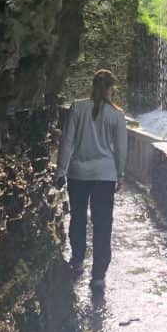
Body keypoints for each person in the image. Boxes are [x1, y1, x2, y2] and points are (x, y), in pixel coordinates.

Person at [55, 69, 128, 289]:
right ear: (109, 88)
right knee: (102, 224)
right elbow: (121, 149)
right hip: (105, 176)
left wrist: (61, 171)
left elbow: (67, 142)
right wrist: (120, 173)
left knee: (78, 219)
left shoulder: (77, 108)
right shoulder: (116, 115)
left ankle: (77, 261)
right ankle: (98, 275)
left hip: (77, 174)